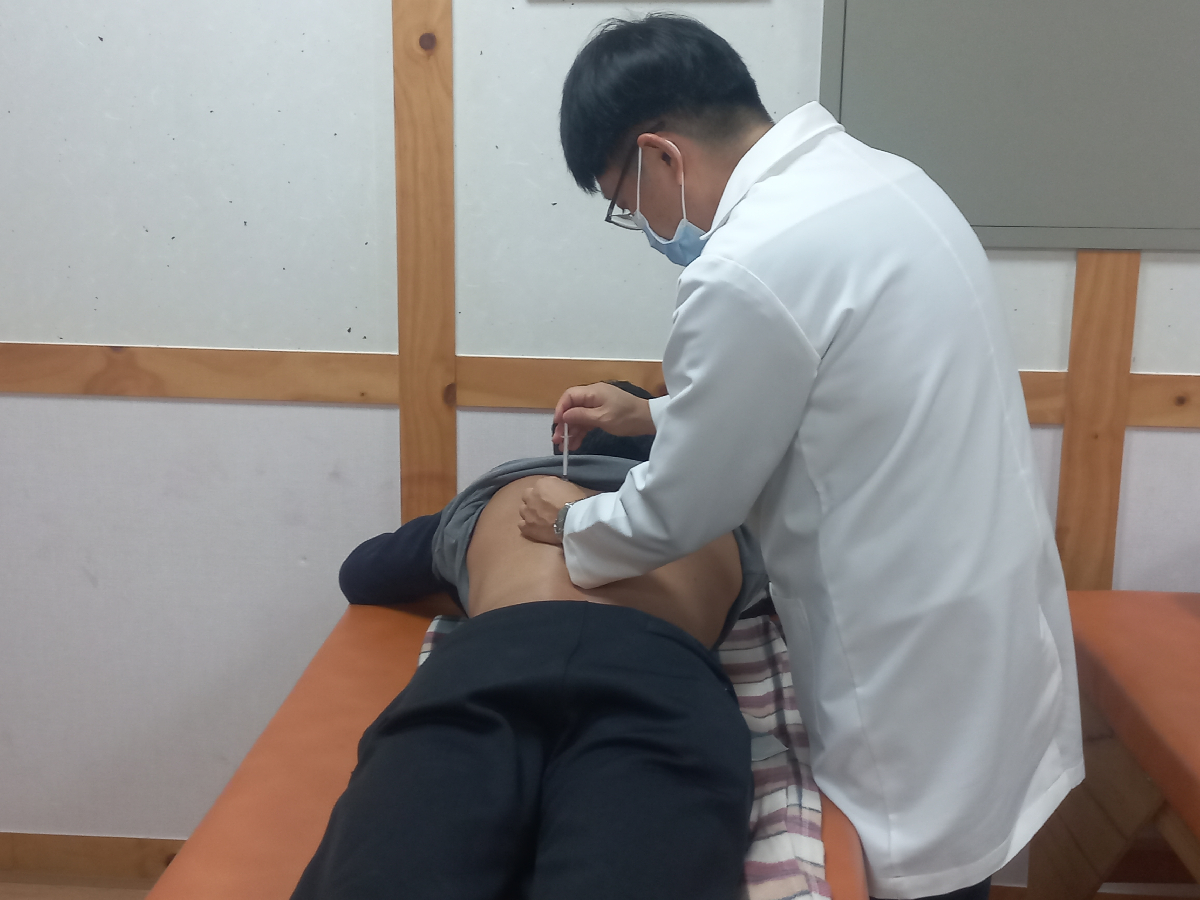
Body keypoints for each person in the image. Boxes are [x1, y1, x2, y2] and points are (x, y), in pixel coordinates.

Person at [518, 14, 1084, 900]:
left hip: (907, 656)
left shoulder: (747, 267)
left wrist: (571, 526)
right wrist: (655, 413)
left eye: (625, 204)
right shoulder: (881, 182)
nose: (645, 226)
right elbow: (835, 390)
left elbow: (682, 509)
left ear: (659, 156)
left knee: (925, 869)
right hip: (983, 608)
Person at [291, 386, 770, 900]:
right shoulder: (721, 516)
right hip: (659, 673)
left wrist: (470, 569)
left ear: (562, 440)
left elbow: (363, 573)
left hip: (491, 658)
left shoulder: (506, 492)